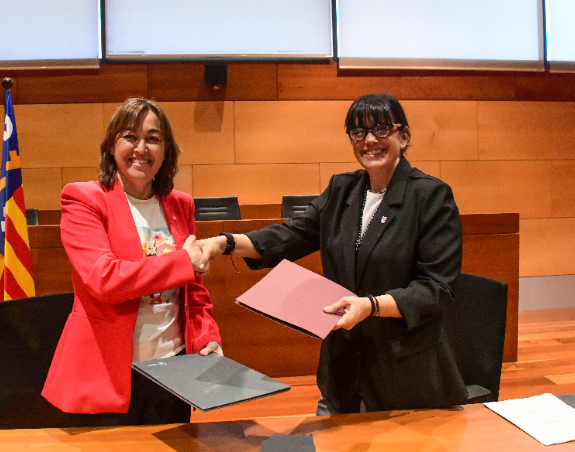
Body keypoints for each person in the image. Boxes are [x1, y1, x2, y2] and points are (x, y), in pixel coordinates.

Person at [198, 94, 467, 414]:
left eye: (381, 129)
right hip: (343, 370)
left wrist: (371, 306)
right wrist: (225, 243)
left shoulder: (430, 196)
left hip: (405, 374)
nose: (369, 140)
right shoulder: (342, 190)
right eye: (358, 132)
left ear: (403, 136)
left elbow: (437, 289)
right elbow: (291, 235)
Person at [42, 98, 222, 426]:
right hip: (107, 376)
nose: (141, 148)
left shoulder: (180, 205)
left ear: (166, 151)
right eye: (130, 136)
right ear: (112, 146)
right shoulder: (84, 199)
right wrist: (183, 261)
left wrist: (207, 336)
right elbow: (105, 279)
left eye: (153, 138)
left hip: (173, 371)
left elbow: (193, 291)